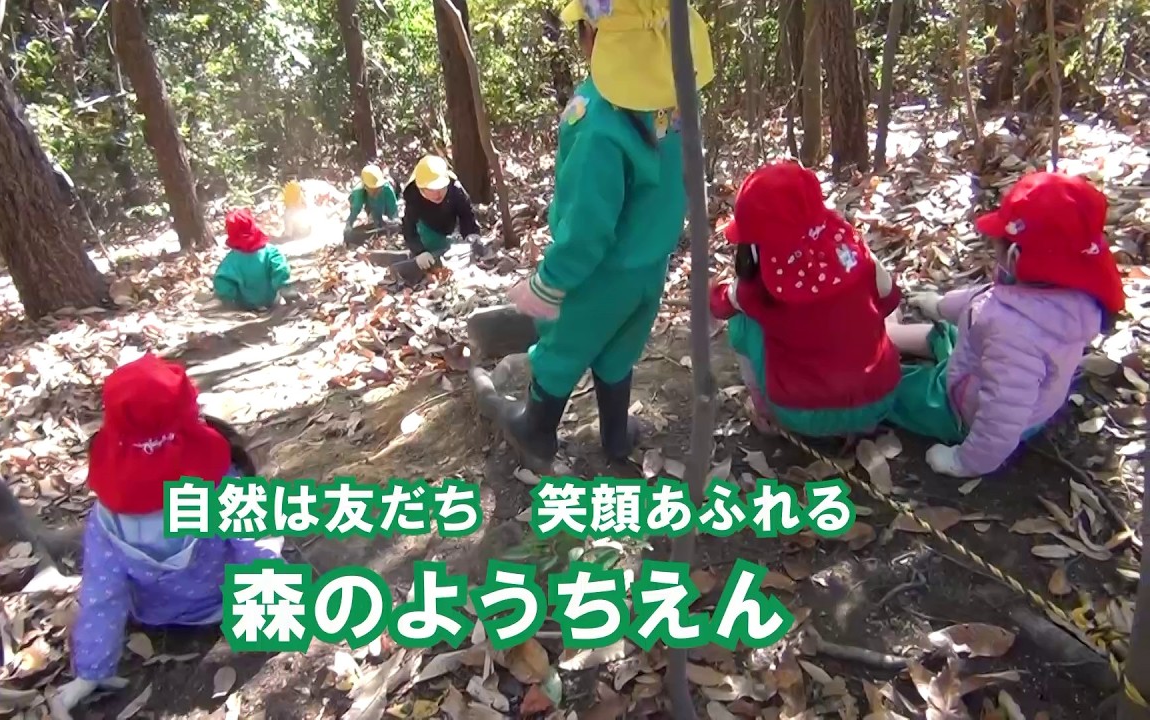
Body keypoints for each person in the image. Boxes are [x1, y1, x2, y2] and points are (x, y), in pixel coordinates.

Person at [478, 0, 714, 471]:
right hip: (650, 267)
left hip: (598, 274)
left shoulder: (595, 122)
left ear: (593, 36)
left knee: (562, 349)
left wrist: (548, 283)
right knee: (618, 349)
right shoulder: (675, 101)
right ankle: (615, 436)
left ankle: (536, 430)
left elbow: (587, 229)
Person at [49, 355, 283, 715]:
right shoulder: (218, 482)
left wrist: (92, 671)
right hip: (223, 602)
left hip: (155, 615)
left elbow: (102, 592)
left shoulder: (106, 516)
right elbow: (255, 545)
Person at [885, 171, 1126, 478]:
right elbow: (984, 298)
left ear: (1015, 254)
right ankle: (890, 335)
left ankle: (876, 380)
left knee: (895, 389)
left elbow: (1001, 416)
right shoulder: (1063, 289)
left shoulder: (1014, 335)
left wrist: (963, 461)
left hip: (969, 409)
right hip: (988, 371)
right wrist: (939, 305)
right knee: (947, 334)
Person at [707, 161, 903, 440]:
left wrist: (713, 291)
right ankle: (860, 420)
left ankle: (764, 410)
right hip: (880, 398)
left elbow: (720, 305)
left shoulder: (757, 288)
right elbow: (890, 298)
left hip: (800, 412)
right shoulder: (856, 254)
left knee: (740, 320)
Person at [400, 154, 480, 272]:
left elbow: (466, 214)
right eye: (432, 190)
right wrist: (419, 252)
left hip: (448, 220)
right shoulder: (413, 195)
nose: (438, 194)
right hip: (427, 225)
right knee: (433, 250)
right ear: (421, 188)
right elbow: (408, 227)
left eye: (441, 187)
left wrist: (471, 233)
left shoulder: (455, 188)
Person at [212, 208, 292, 311]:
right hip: (272, 301)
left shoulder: (231, 260)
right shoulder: (270, 252)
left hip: (245, 305)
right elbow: (280, 268)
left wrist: (226, 299)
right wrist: (284, 286)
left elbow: (222, 280)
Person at [344, 164, 399, 243]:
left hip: (384, 212)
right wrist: (348, 227)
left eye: (378, 189)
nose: (375, 192)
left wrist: (392, 222)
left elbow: (393, 212)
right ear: (365, 186)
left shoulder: (387, 189)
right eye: (372, 189)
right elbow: (354, 213)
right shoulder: (358, 192)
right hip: (370, 209)